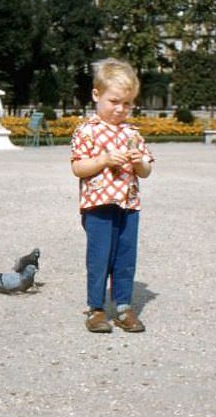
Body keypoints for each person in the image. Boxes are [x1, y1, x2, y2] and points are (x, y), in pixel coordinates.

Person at [70, 58, 153, 333]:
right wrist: (104, 159)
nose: (120, 109)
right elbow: (77, 167)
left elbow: (146, 171)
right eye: (114, 101)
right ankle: (95, 308)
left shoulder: (133, 133)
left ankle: (123, 307)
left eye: (127, 103)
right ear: (96, 95)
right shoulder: (86, 131)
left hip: (129, 204)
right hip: (98, 204)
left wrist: (139, 161)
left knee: (125, 257)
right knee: (99, 256)